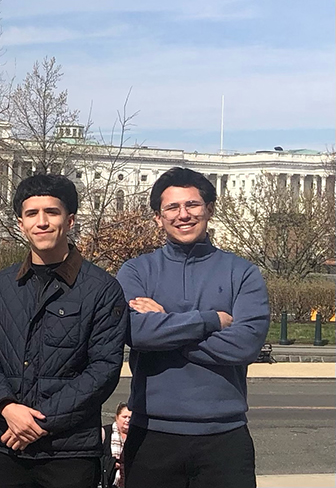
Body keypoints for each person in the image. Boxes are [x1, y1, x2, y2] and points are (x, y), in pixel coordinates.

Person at [116, 167, 270, 488]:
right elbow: (137, 333)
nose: (183, 215)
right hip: (152, 436)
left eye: (192, 205)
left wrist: (164, 321)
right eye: (172, 207)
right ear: (158, 217)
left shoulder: (242, 273)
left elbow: (245, 345)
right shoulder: (136, 271)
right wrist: (211, 320)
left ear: (209, 209)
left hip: (224, 438)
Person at [0, 173, 128, 488]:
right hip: (8, 445)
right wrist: (6, 407)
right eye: (32, 214)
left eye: (51, 212)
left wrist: (37, 422)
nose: (41, 222)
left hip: (69, 452)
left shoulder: (102, 289)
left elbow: (103, 369)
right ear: (21, 223)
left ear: (70, 221)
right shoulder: (1, 286)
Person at [101, 403, 130, 488]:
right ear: (117, 417)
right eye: (124, 417)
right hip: (109, 482)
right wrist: (112, 463)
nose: (127, 420)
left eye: (130, 417)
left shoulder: (135, 436)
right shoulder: (105, 432)